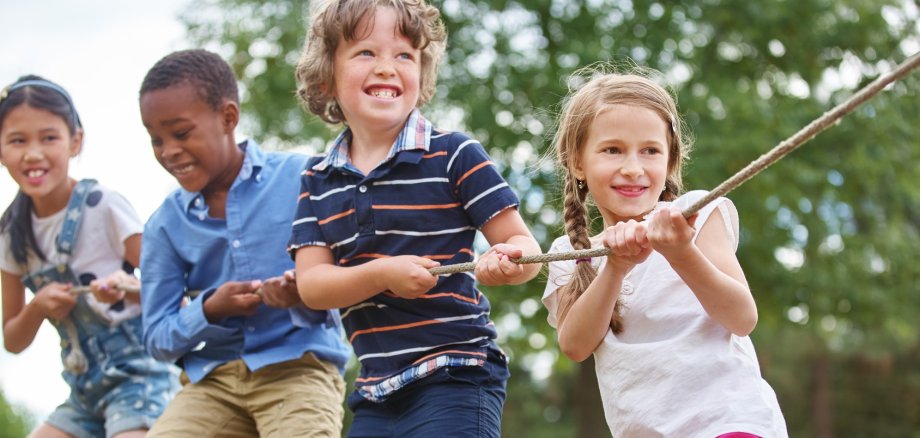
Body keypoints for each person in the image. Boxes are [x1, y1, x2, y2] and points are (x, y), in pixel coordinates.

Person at [289, 0, 542, 436]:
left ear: (422, 72)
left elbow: (527, 250)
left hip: (457, 372)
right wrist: (383, 273)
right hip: (374, 391)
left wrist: (507, 262)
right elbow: (312, 287)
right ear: (327, 74)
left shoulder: (454, 154)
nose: (387, 67)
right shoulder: (316, 179)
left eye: (405, 55)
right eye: (366, 52)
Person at [542, 68, 788, 437]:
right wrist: (615, 268)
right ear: (578, 161)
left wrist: (681, 253)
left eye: (650, 151)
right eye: (612, 150)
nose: (632, 168)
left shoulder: (695, 215)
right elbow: (575, 346)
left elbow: (742, 318)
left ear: (670, 161)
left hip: (729, 422)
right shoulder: (570, 253)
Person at [137, 49, 352, 438]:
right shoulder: (165, 226)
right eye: (156, 140)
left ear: (228, 118)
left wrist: (304, 291)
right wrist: (208, 309)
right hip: (212, 382)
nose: (169, 151)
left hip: (299, 366)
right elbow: (156, 337)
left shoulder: (304, 179)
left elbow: (355, 274)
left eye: (181, 133)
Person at [0, 75, 179, 438]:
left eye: (48, 138)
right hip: (83, 390)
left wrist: (127, 287)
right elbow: (13, 340)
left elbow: (173, 288)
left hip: (140, 376)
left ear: (74, 141)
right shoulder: (11, 235)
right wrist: (37, 308)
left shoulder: (103, 206)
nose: (33, 153)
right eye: (18, 141)